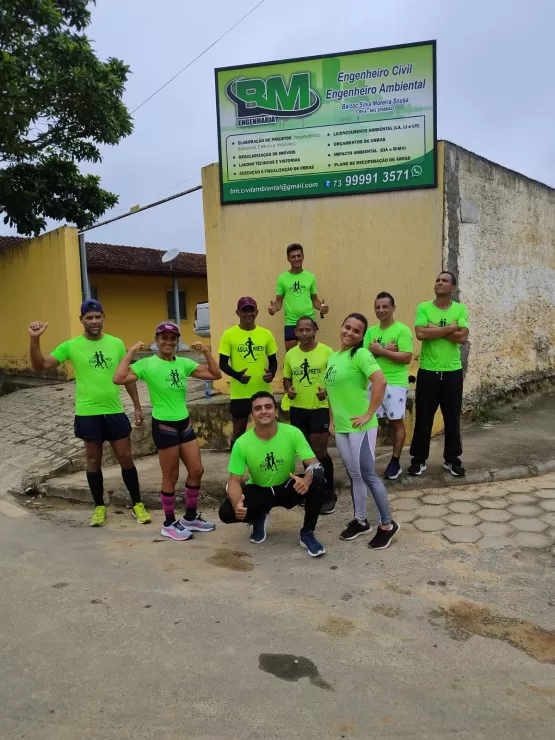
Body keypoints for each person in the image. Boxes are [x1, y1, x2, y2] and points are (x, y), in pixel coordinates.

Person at [28, 300, 150, 527]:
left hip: (114, 410)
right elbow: (41, 365)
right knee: (93, 459)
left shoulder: (116, 343)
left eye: (97, 317)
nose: (94, 321)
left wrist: (136, 405)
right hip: (88, 412)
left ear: (103, 317)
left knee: (125, 457)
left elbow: (126, 376)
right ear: (81, 320)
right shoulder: (71, 346)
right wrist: (35, 339)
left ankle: (137, 503)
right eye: (89, 317)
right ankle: (99, 506)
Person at [114, 323, 221, 541]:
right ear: (156, 339)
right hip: (164, 425)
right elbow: (119, 378)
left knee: (197, 470)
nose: (168, 342)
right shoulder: (147, 364)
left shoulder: (183, 363)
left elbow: (215, 374)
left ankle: (190, 517)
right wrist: (132, 351)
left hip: (184, 423)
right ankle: (169, 523)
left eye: (173, 338)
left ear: (177, 341)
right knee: (171, 475)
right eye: (164, 337)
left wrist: (206, 351)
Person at [218, 391, 327, 558]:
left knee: (318, 479)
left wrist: (307, 479)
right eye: (258, 408)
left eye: (268, 407)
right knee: (226, 511)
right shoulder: (242, 443)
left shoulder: (293, 433)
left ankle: (307, 533)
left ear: (276, 412)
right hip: (259, 490)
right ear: (252, 415)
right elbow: (234, 480)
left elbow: (314, 464)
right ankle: (258, 517)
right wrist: (236, 503)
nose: (263, 411)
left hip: (287, 486)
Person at [323, 313, 400, 550]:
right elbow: (332, 392)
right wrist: (332, 419)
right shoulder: (334, 357)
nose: (350, 333)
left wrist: (369, 413)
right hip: (344, 428)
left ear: (361, 336)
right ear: (341, 327)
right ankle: (360, 521)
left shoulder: (362, 354)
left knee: (368, 475)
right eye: (347, 327)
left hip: (361, 427)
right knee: (354, 476)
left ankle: (387, 525)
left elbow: (381, 381)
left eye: (356, 331)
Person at [409, 271, 470, 477]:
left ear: (452, 288)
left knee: (452, 418)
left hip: (452, 372)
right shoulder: (424, 307)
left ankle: (452, 460)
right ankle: (418, 460)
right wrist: (450, 328)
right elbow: (420, 333)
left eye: (444, 281)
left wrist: (434, 329)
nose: (439, 283)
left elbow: (462, 338)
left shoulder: (460, 309)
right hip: (428, 371)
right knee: (424, 418)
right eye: (437, 280)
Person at [283, 317, 336, 514]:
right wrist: (289, 390)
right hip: (298, 410)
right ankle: (313, 491)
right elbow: (287, 379)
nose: (304, 334)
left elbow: (334, 380)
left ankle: (329, 492)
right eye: (300, 330)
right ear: (295, 332)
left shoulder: (326, 352)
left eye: (308, 329)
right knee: (306, 455)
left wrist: (326, 392)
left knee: (320, 453)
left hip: (319, 409)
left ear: (315, 330)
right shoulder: (291, 355)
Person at [364, 292, 413, 480]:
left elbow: (406, 357)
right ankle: (369, 462)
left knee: (396, 422)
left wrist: (380, 350)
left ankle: (395, 462)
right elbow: (366, 356)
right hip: (374, 382)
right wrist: (385, 351)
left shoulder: (402, 330)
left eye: (385, 306)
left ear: (393, 308)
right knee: (370, 422)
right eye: (378, 307)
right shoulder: (371, 331)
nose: (381, 310)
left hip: (395, 384)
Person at [219, 297, 278, 448]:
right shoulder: (229, 334)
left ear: (257, 312)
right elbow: (223, 364)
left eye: (251, 310)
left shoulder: (266, 334)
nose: (248, 313)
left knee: (268, 428)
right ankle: (235, 467)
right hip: (240, 393)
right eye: (244, 310)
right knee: (239, 430)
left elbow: (273, 360)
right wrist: (238, 376)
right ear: (237, 312)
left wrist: (271, 373)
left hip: (262, 391)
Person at [268, 243, 329, 350]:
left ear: (303, 256)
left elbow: (315, 300)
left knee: (309, 352)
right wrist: (274, 309)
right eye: (293, 256)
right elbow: (278, 302)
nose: (296, 259)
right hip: (291, 322)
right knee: (291, 356)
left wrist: (322, 307)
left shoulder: (310, 277)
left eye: (298, 256)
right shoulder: (282, 278)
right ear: (288, 259)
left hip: (308, 320)